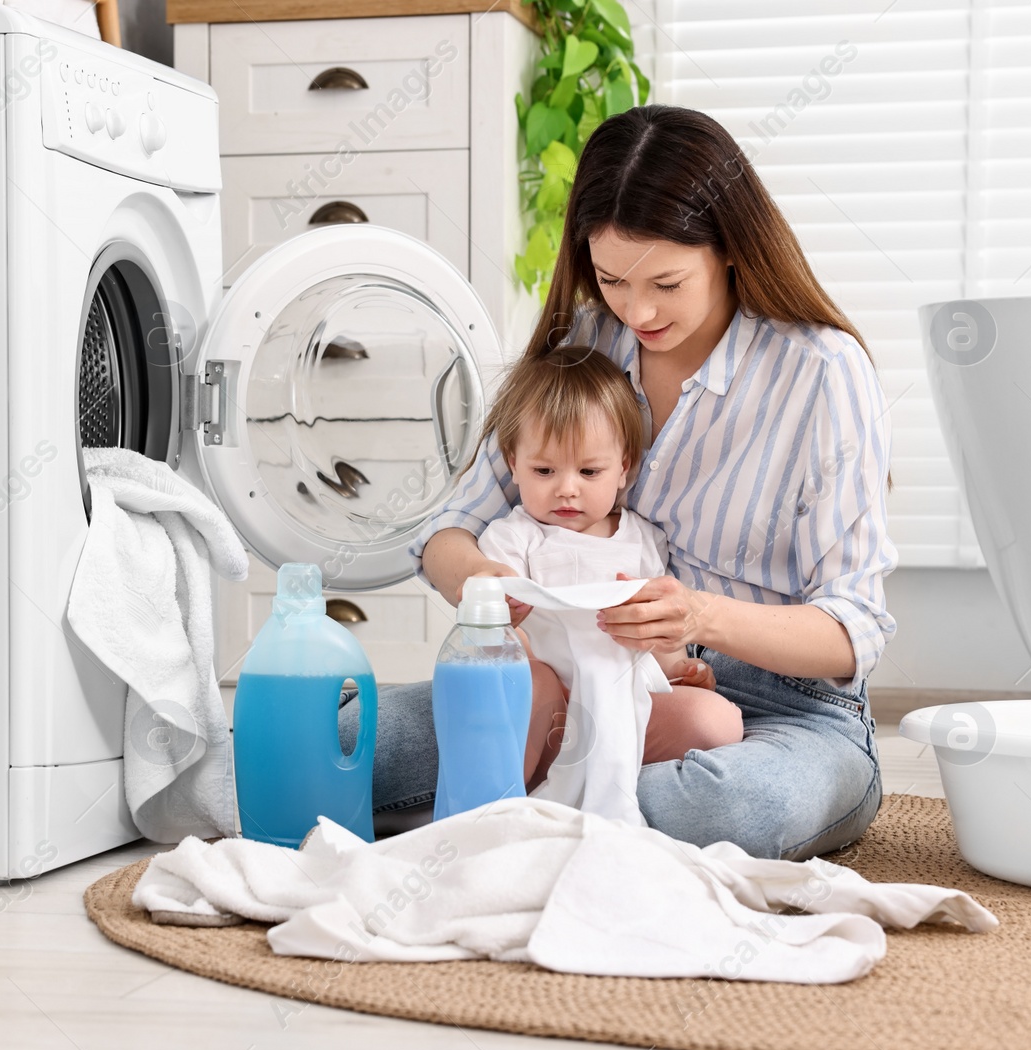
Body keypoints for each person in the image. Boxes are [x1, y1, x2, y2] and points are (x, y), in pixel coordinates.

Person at [343, 103, 897, 860]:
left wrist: (699, 615)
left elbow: (852, 631)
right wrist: (481, 582)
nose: (637, 310)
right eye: (611, 279)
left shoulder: (823, 372)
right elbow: (446, 532)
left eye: (666, 282)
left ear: (731, 249)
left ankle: (512, 806)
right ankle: (548, 794)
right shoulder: (587, 345)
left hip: (787, 709)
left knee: (730, 804)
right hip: (572, 677)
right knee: (348, 741)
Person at [469, 343, 743, 789]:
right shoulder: (513, 537)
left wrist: (678, 669)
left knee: (719, 721)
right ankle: (505, 799)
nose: (567, 490)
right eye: (544, 471)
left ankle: (606, 765)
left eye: (589, 472)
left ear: (624, 469)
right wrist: (508, 623)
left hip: (625, 703)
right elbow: (495, 637)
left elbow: (659, 632)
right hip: (552, 706)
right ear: (514, 464)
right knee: (527, 683)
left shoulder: (641, 540)